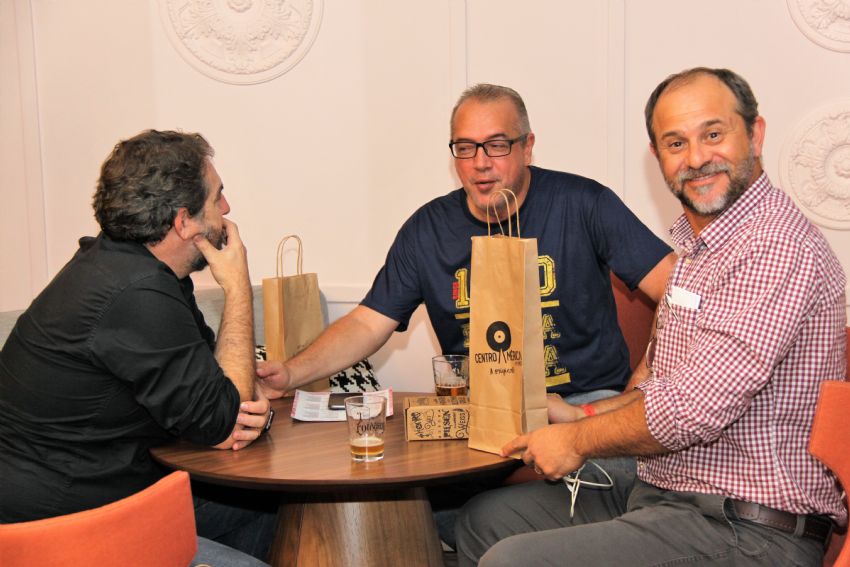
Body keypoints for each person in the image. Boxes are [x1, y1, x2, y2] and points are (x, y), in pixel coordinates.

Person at [454, 68, 848, 567]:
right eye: (675, 143)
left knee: (512, 562)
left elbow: (694, 407)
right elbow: (663, 386)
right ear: (657, 156)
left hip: (749, 527)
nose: (696, 158)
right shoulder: (700, 249)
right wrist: (582, 415)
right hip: (665, 494)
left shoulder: (775, 247)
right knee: (484, 520)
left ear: (755, 134)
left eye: (713, 134)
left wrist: (575, 440)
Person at [258, 83, 675, 405]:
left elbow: (679, 290)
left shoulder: (584, 204)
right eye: (465, 147)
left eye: (497, 145)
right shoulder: (427, 230)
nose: (480, 163)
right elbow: (367, 324)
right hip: (482, 407)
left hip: (584, 401)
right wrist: (290, 374)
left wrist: (644, 379)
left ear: (527, 147)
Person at [0, 130, 275, 566]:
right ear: (183, 221)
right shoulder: (136, 292)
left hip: (108, 495)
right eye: (217, 196)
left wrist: (233, 403)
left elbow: (216, 388)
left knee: (267, 507)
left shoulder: (135, 268)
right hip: (60, 529)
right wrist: (238, 287)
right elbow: (224, 420)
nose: (225, 208)